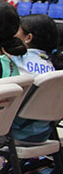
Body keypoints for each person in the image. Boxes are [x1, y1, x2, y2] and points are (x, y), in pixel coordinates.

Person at [10, 14, 60, 143]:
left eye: (17, 30)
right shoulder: (53, 64)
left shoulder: (15, 60)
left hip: (14, 134)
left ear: (28, 38)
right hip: (43, 134)